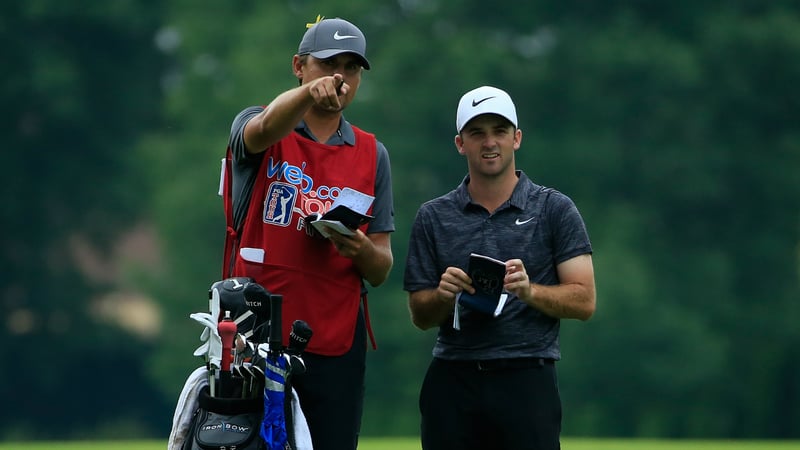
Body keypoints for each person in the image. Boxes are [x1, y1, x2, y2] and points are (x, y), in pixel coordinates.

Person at [223, 16, 394, 450]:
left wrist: (356, 248)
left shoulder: (373, 154)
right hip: (256, 333)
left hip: (336, 337)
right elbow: (261, 131)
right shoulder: (261, 121)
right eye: (327, 64)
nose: (340, 77)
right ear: (298, 66)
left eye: (351, 67)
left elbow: (381, 266)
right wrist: (303, 97)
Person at [403, 85, 596, 450]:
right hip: (453, 379)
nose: (489, 142)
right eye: (477, 133)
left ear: (516, 138)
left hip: (527, 377)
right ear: (460, 143)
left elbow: (584, 300)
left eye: (500, 131)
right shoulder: (433, 216)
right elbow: (420, 315)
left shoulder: (555, 209)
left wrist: (529, 290)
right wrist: (444, 296)